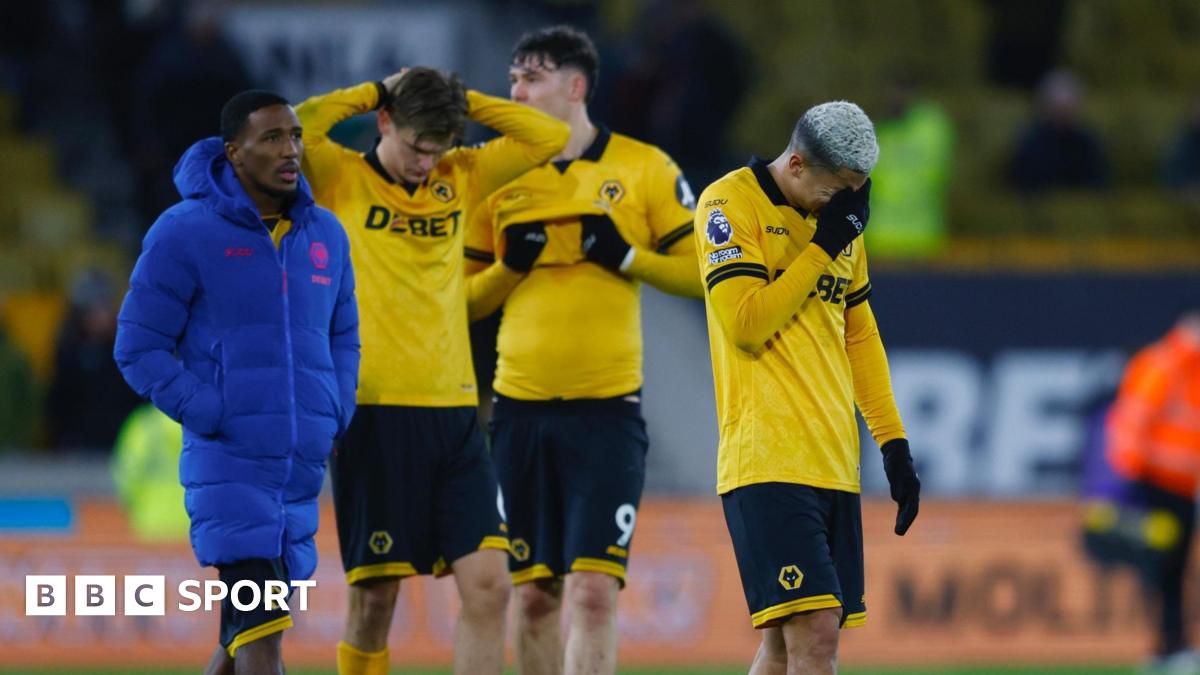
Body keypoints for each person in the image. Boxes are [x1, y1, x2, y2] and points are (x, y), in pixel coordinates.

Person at [294, 67, 568, 675]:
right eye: (418, 147)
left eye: (438, 148)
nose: (426, 162)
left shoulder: (459, 175)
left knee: (490, 587)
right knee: (374, 601)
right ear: (384, 123)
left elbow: (547, 136)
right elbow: (303, 122)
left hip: (456, 413)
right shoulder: (340, 176)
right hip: (374, 410)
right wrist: (376, 89)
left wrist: (462, 101)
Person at [463, 25, 702, 675]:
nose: (516, 90)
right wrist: (509, 269)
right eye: (513, 78)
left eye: (531, 77)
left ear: (576, 86)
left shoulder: (645, 167)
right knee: (535, 596)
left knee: (594, 592)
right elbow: (462, 301)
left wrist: (626, 257)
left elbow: (703, 272)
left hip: (606, 413)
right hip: (519, 412)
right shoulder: (494, 173)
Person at [114, 90, 360, 675]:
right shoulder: (184, 231)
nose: (290, 150)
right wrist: (212, 411)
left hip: (298, 473)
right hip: (231, 467)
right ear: (233, 152)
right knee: (263, 637)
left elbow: (344, 335)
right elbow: (137, 346)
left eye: (295, 136)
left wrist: (334, 409)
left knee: (243, 637)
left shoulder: (326, 234)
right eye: (271, 138)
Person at [693, 102, 920, 675]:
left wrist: (893, 444)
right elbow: (746, 324)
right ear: (796, 164)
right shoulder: (728, 204)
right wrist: (823, 246)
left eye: (856, 195)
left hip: (833, 462)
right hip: (767, 459)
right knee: (816, 636)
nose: (845, 207)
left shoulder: (840, 225)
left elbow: (859, 336)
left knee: (784, 648)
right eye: (838, 191)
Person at [1105, 312, 1200, 672]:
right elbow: (1134, 419)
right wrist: (1131, 481)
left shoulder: (1188, 370)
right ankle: (1168, 646)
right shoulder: (1163, 365)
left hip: (1183, 488)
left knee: (1174, 568)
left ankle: (1172, 645)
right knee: (1163, 567)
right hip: (1156, 484)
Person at [1008, 69, 1110, 194]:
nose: (1063, 114)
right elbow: (1022, 185)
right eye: (1058, 109)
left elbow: (1099, 185)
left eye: (1067, 109)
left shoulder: (1088, 144)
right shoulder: (1031, 143)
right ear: (1046, 108)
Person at [110, 402, 188, 542]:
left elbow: (127, 474)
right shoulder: (207, 424)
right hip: (193, 525)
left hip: (149, 524)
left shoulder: (144, 425)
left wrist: (131, 507)